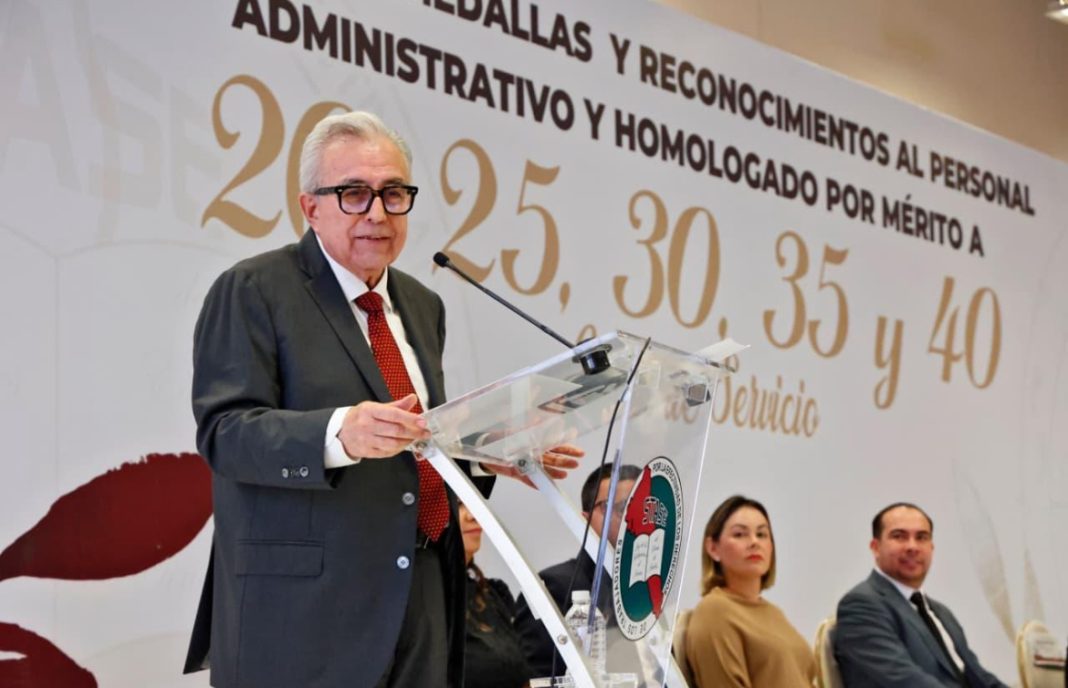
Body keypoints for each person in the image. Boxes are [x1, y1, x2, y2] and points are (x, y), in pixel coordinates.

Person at [182, 110, 580, 688]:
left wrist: (490, 454)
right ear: (310, 207)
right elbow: (226, 432)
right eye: (354, 193)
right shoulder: (254, 289)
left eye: (393, 193)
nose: (377, 212)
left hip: (422, 594)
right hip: (306, 614)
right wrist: (339, 433)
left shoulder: (422, 305)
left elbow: (414, 444)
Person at [834, 502, 1007, 687]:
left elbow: (980, 678)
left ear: (931, 547)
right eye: (899, 536)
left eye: (921, 537)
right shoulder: (861, 605)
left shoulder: (941, 613)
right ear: (875, 547)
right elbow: (905, 680)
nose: (912, 546)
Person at [513, 463, 642, 679]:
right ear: (585, 519)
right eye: (620, 507)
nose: (631, 518)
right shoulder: (555, 586)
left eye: (641, 508)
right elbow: (539, 677)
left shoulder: (645, 591)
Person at [683, 495, 815, 687]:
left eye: (762, 534)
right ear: (713, 548)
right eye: (739, 534)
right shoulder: (714, 611)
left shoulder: (774, 613)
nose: (754, 542)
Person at [458, 498, 531, 688]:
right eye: (457, 505)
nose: (472, 515)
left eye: (471, 503)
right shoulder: (426, 600)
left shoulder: (493, 594)